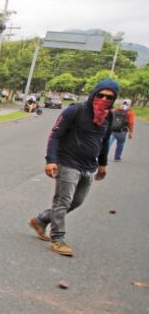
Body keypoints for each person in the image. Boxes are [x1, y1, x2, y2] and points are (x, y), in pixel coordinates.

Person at [28, 79, 120, 256]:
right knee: (63, 201)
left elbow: (104, 142)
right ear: (94, 94)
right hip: (67, 162)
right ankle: (57, 239)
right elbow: (55, 135)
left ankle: (41, 220)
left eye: (109, 97)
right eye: (101, 95)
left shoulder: (108, 116)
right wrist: (51, 160)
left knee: (77, 201)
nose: (104, 99)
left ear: (113, 99)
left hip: (89, 166)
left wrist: (103, 164)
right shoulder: (75, 110)